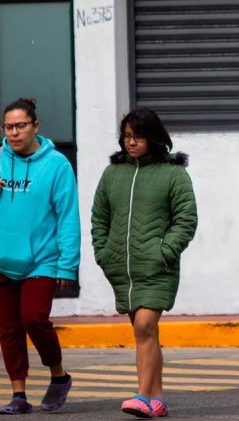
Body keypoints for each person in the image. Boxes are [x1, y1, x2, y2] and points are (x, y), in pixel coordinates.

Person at [0, 98, 81, 415]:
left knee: (33, 318)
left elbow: (67, 218)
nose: (14, 133)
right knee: (8, 329)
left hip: (41, 260)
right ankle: (18, 394)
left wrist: (67, 267)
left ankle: (58, 375)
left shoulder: (57, 165)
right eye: (8, 127)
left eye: (20, 126)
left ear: (36, 126)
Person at [91, 108, 198, 418]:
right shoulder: (113, 174)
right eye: (126, 136)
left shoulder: (174, 174)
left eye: (137, 136)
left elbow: (186, 219)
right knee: (146, 335)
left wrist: (165, 251)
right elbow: (100, 217)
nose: (130, 142)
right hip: (122, 268)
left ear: (153, 137)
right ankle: (158, 397)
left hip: (157, 267)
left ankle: (141, 396)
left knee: (145, 325)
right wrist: (104, 252)